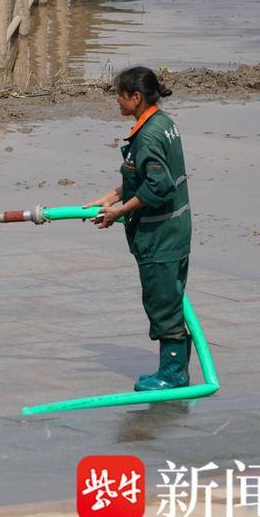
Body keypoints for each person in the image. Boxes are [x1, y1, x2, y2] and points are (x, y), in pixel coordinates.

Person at [84, 66, 192, 392]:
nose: (116, 101)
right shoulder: (162, 123)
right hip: (175, 229)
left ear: (136, 97)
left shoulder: (148, 135)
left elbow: (158, 185)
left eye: (119, 95)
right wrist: (114, 195)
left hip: (160, 235)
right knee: (169, 298)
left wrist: (119, 212)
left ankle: (173, 374)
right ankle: (173, 370)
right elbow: (146, 176)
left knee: (162, 302)